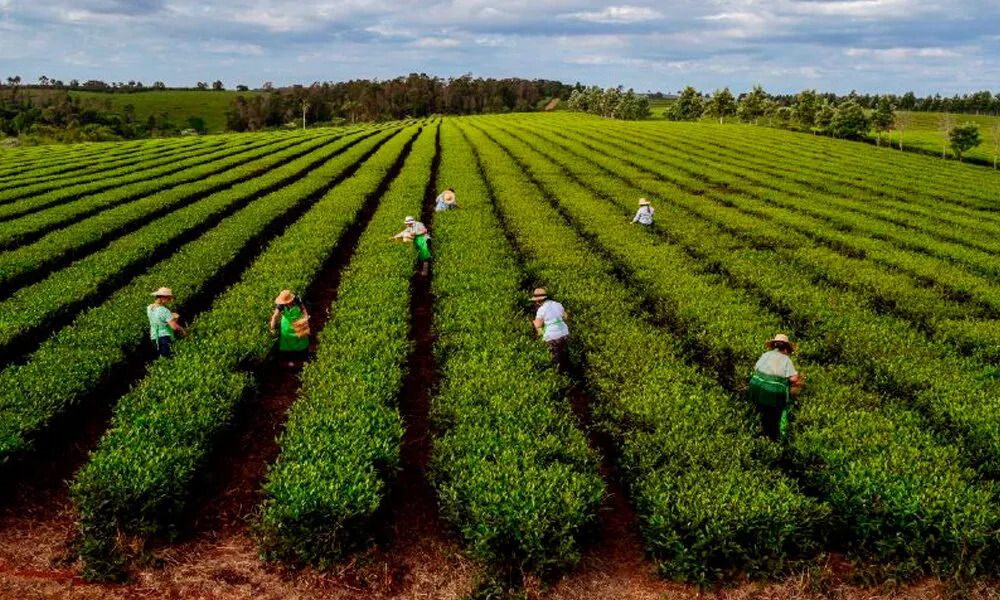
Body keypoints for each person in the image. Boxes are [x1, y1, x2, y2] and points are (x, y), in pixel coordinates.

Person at [748, 333, 803, 442]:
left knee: (760, 413)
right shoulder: (786, 360)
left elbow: (756, 367)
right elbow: (794, 379)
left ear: (773, 346)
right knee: (773, 418)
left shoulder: (765, 355)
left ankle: (756, 433)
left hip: (755, 388)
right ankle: (772, 439)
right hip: (773, 393)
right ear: (786, 349)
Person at [531, 287, 570, 373]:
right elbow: (566, 317)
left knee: (555, 360)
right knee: (564, 356)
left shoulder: (541, 310)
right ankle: (567, 372)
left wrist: (539, 334)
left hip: (552, 337)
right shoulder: (557, 304)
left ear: (538, 301)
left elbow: (538, 326)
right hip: (564, 333)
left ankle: (557, 375)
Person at [269, 290, 310, 367]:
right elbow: (275, 316)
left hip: (299, 323)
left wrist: (305, 318)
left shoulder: (297, 300)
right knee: (287, 343)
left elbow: (303, 309)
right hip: (287, 326)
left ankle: (302, 359)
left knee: (302, 341)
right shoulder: (280, 305)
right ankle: (289, 361)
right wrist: (272, 328)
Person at [147, 287, 185, 358]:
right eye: (169, 298)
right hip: (164, 337)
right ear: (162, 298)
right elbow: (173, 326)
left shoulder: (149, 308)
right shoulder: (164, 311)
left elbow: (158, 318)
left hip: (154, 336)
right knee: (169, 357)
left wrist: (170, 316)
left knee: (162, 358)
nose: (170, 300)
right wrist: (182, 329)